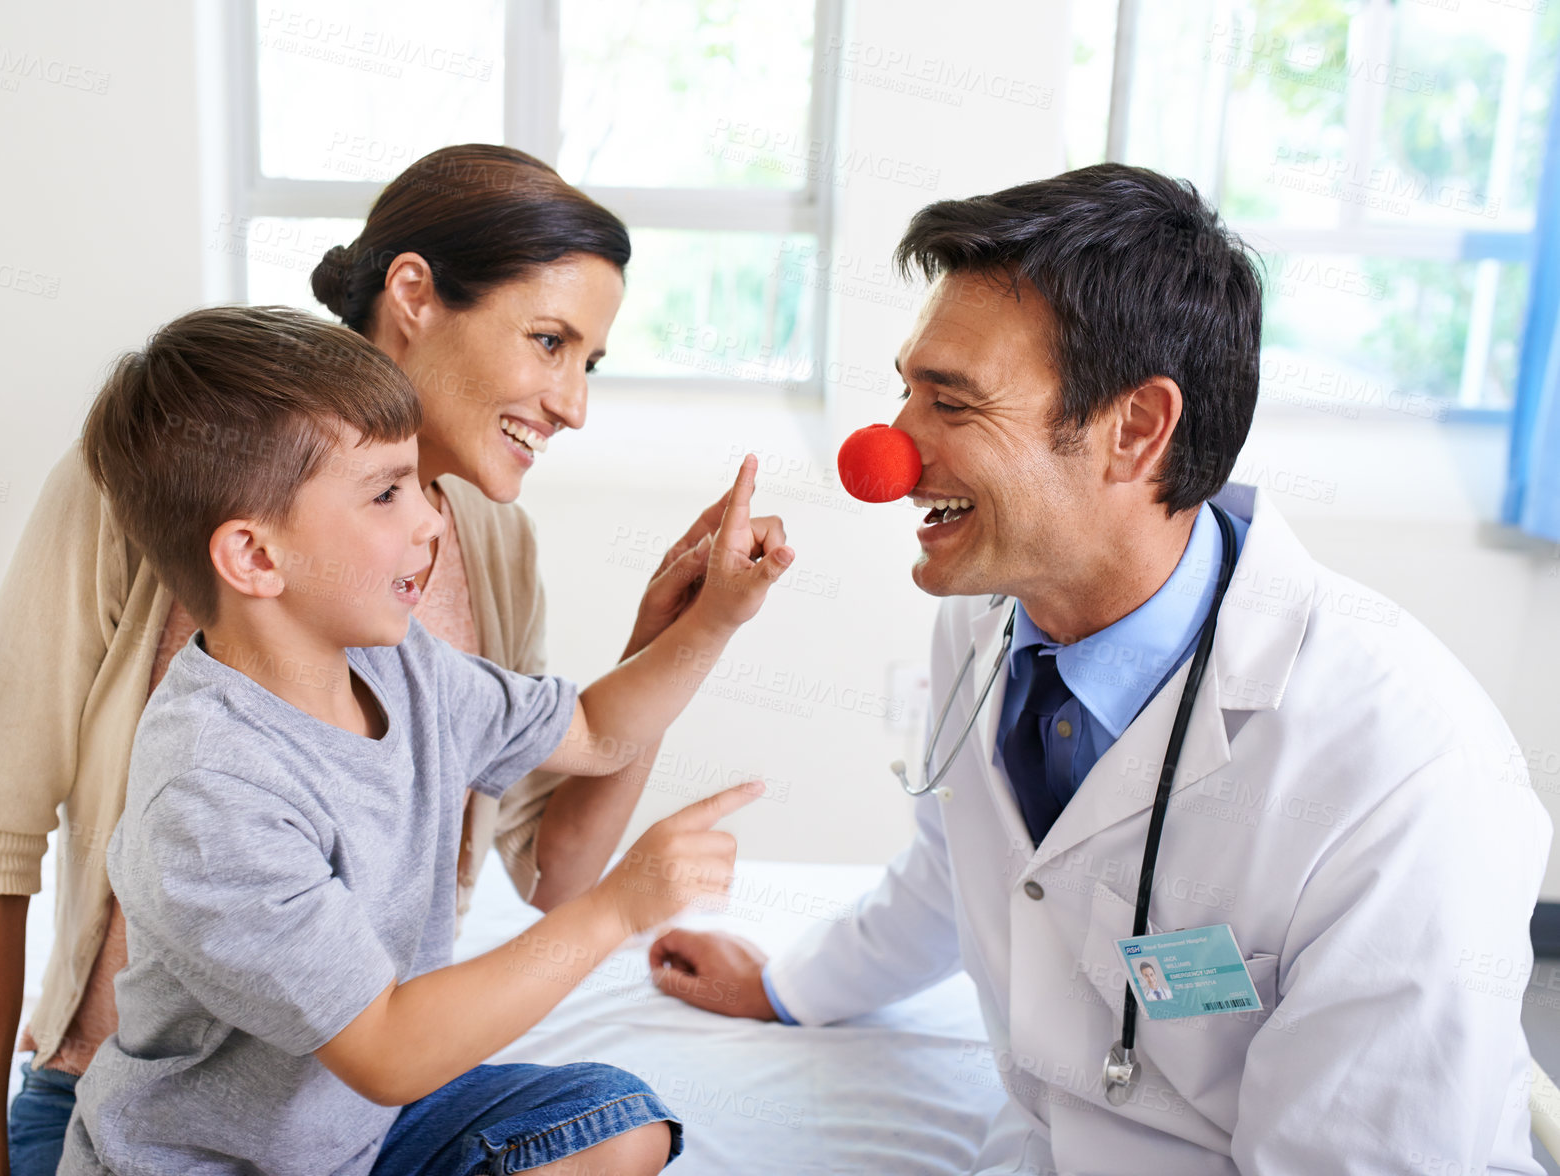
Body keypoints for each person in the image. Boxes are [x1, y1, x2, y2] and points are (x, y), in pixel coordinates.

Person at [649, 164, 1551, 1173]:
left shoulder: (1402, 774)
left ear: (1134, 429)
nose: (889, 451)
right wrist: (788, 988)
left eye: (949, 403)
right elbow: (956, 876)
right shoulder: (990, 624)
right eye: (905, 390)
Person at [0, 144, 776, 1175]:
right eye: (549, 342)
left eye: (586, 363)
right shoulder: (153, 486)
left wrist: (691, 626)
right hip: (162, 1112)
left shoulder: (455, 581)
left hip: (356, 1105)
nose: (572, 404)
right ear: (414, 295)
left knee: (614, 1118)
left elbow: (563, 836)